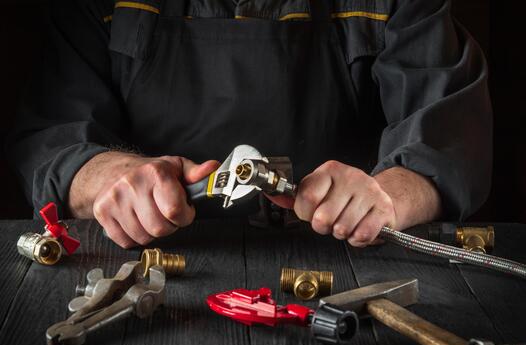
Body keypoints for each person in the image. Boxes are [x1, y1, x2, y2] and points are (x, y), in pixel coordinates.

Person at [6, 0, 492, 249]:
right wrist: (107, 177)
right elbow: (55, 133)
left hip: (348, 261)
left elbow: (446, 135)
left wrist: (387, 197)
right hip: (148, 263)